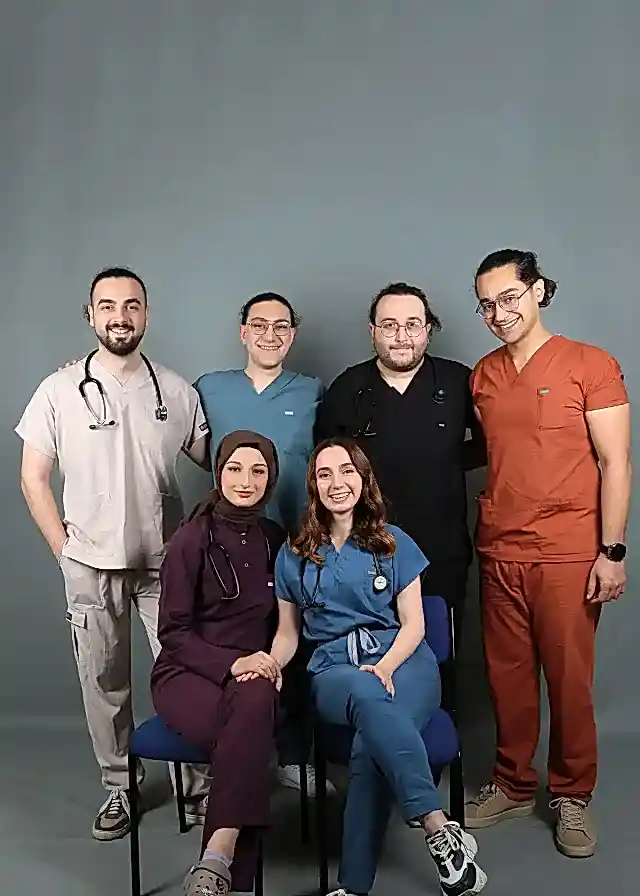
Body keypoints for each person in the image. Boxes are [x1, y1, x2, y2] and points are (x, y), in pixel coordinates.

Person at [270, 438, 487, 896]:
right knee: (367, 701)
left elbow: (414, 625)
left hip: (405, 663)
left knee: (370, 745)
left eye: (347, 471)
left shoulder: (394, 542)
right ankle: (439, 830)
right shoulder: (294, 554)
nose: (337, 482)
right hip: (335, 670)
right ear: (314, 487)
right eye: (324, 474)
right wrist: (268, 663)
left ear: (363, 479)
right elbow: (288, 635)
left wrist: (386, 666)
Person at [16, 267, 210, 842]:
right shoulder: (58, 389)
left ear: (146, 314)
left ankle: (197, 788)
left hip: (164, 564)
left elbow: (225, 465)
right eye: (107, 306)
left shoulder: (175, 391)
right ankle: (120, 785)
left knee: (184, 674)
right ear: (90, 315)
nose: (120, 316)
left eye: (131, 305)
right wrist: (64, 551)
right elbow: (33, 478)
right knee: (102, 680)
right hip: (89, 563)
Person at [466, 249, 631, 858]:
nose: (499, 312)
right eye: (486, 304)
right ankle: (512, 783)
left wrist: (611, 550)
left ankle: (572, 794)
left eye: (509, 297)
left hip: (568, 551)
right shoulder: (482, 375)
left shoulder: (591, 365)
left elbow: (616, 462)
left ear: (538, 291)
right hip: (499, 548)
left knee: (568, 679)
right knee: (506, 677)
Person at [151, 431, 285, 896]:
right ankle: (218, 875)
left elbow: (286, 624)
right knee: (249, 733)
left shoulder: (277, 539)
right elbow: (173, 634)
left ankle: (210, 880)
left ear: (270, 479)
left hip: (254, 679)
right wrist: (233, 664)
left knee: (253, 704)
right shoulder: (191, 539)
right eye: (235, 469)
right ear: (219, 473)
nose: (245, 481)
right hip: (189, 675)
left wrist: (261, 665)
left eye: (258, 471)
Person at [195, 291, 329, 797]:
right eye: (259, 324)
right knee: (229, 645)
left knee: (294, 644)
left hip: (295, 544)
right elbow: (191, 444)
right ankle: (226, 756)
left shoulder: (311, 391)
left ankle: (293, 756)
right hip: (229, 547)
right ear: (243, 332)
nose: (269, 334)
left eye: (280, 326)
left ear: (292, 335)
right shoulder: (210, 389)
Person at [315, 282, 486, 622]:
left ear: (428, 329)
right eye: (389, 325)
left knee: (439, 646)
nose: (401, 337)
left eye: (412, 325)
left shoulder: (457, 382)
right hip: (364, 550)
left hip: (442, 552)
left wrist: (443, 461)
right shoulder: (347, 388)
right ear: (373, 331)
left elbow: (490, 444)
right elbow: (325, 462)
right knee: (368, 646)